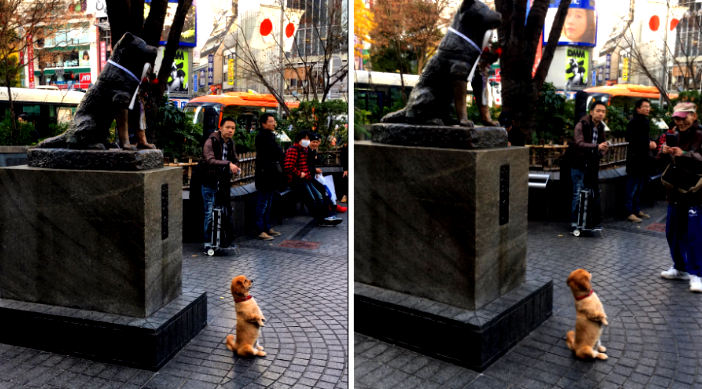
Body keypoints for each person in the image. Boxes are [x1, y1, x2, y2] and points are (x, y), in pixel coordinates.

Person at [656, 102, 702, 292]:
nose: (680, 121)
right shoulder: (673, 134)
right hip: (674, 192)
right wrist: (663, 152)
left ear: (694, 116)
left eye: (684, 117)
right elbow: (658, 161)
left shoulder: (700, 135)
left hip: (695, 194)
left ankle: (697, 274)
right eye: (677, 118)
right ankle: (680, 268)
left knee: (694, 235)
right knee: (673, 233)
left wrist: (684, 154)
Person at [201, 117, 241, 251]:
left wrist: (235, 167)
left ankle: (220, 241)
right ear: (221, 128)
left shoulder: (230, 143)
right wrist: (228, 164)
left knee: (224, 211)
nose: (230, 130)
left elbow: (235, 159)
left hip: (223, 182)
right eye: (228, 127)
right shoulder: (211, 141)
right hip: (209, 180)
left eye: (233, 128)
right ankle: (207, 242)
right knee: (209, 212)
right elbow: (210, 160)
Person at [284, 131, 341, 225]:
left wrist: (307, 175)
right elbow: (288, 167)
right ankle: (321, 218)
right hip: (297, 180)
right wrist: (299, 174)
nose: (307, 141)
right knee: (311, 199)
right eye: (305, 139)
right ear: (298, 139)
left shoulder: (304, 149)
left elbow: (305, 166)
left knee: (318, 195)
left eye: (308, 139)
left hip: (306, 178)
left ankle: (326, 215)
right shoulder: (293, 150)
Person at [570, 101, 610, 233]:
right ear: (591, 112)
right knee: (577, 193)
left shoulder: (600, 127)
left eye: (603, 111)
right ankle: (575, 223)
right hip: (579, 163)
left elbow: (602, 143)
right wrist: (597, 147)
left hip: (592, 164)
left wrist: (602, 150)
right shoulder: (581, 125)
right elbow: (579, 143)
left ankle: (589, 222)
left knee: (592, 193)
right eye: (598, 111)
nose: (601, 113)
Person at [624, 99, 658, 222]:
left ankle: (636, 209)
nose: (648, 109)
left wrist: (652, 141)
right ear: (638, 108)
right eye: (645, 106)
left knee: (639, 187)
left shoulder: (645, 121)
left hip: (643, 159)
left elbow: (644, 138)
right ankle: (629, 212)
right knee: (632, 186)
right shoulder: (634, 121)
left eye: (649, 106)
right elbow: (630, 137)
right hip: (635, 159)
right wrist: (647, 142)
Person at [254, 113, 284, 241]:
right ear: (263, 124)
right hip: (264, 175)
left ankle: (266, 227)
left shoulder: (270, 136)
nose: (273, 123)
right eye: (271, 121)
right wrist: (279, 150)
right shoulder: (261, 137)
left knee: (269, 202)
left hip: (271, 175)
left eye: (274, 121)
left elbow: (278, 152)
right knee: (263, 203)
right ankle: (259, 230)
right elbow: (276, 151)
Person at [307, 132, 346, 213]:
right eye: (313, 142)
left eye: (316, 142)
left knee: (326, 188)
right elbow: (305, 165)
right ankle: (327, 208)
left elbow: (317, 160)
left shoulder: (313, 151)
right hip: (307, 176)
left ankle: (332, 206)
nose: (315, 144)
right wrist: (314, 170)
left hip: (313, 174)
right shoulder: (306, 151)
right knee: (322, 189)